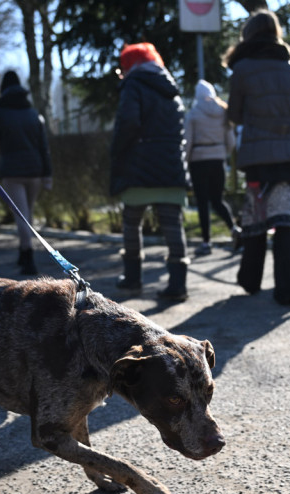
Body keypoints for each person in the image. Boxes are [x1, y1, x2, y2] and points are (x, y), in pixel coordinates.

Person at [224, 10, 290, 306]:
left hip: (258, 161)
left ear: (248, 36)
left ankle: (250, 280)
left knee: (256, 220)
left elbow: (234, 114)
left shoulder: (242, 70)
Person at [111, 42, 190, 301]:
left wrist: (118, 151)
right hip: (170, 163)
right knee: (172, 225)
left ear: (130, 65)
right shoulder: (171, 89)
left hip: (139, 164)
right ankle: (178, 284)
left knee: (132, 223)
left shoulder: (133, 85)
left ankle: (132, 278)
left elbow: (128, 122)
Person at [0, 70, 53, 276]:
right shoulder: (33, 113)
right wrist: (47, 174)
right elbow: (44, 146)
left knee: (21, 216)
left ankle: (29, 258)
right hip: (35, 171)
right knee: (27, 213)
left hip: (12, 172)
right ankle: (23, 253)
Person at [184, 79, 236, 257]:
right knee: (217, 199)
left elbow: (188, 142)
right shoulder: (223, 112)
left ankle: (206, 242)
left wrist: (186, 160)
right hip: (218, 160)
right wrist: (222, 153)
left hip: (199, 161)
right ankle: (235, 229)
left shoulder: (193, 114)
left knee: (202, 202)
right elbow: (231, 142)